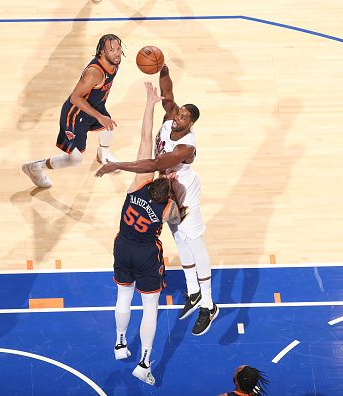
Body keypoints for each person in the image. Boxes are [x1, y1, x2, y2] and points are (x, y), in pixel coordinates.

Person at [96, 65, 218, 336]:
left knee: (195, 244)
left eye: (184, 117)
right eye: (179, 113)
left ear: (191, 124)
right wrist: (161, 66)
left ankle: (208, 304)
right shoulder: (171, 115)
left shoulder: (186, 147)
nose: (178, 117)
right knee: (179, 239)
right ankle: (193, 291)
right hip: (166, 190)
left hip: (184, 194)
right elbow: (167, 90)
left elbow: (153, 163)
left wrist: (117, 165)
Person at [111, 81, 183, 386]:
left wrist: (150, 103)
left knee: (122, 297)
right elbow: (179, 217)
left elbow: (143, 138)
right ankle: (143, 363)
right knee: (150, 307)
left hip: (122, 246)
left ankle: (119, 344)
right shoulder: (167, 207)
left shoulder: (137, 184)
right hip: (146, 255)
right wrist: (177, 189)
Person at [22, 33, 123, 188]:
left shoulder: (114, 63)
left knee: (108, 129)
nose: (116, 53)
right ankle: (35, 168)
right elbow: (75, 98)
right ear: (102, 53)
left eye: (118, 48)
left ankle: (102, 154)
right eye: (111, 50)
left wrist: (100, 114)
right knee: (75, 159)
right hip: (75, 116)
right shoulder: (94, 73)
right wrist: (99, 116)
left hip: (94, 108)